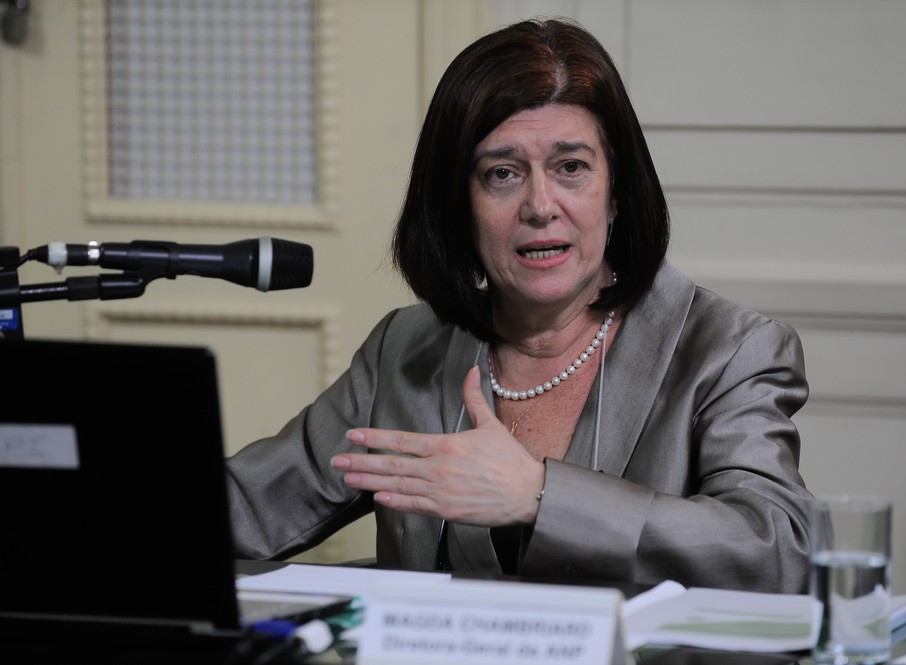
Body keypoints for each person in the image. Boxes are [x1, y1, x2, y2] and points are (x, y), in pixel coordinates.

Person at [226, 17, 813, 594]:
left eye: (571, 167)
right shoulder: (406, 350)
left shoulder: (728, 350)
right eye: (502, 174)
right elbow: (245, 510)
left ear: (615, 193)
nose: (540, 205)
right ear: (459, 206)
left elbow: (777, 550)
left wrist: (540, 496)